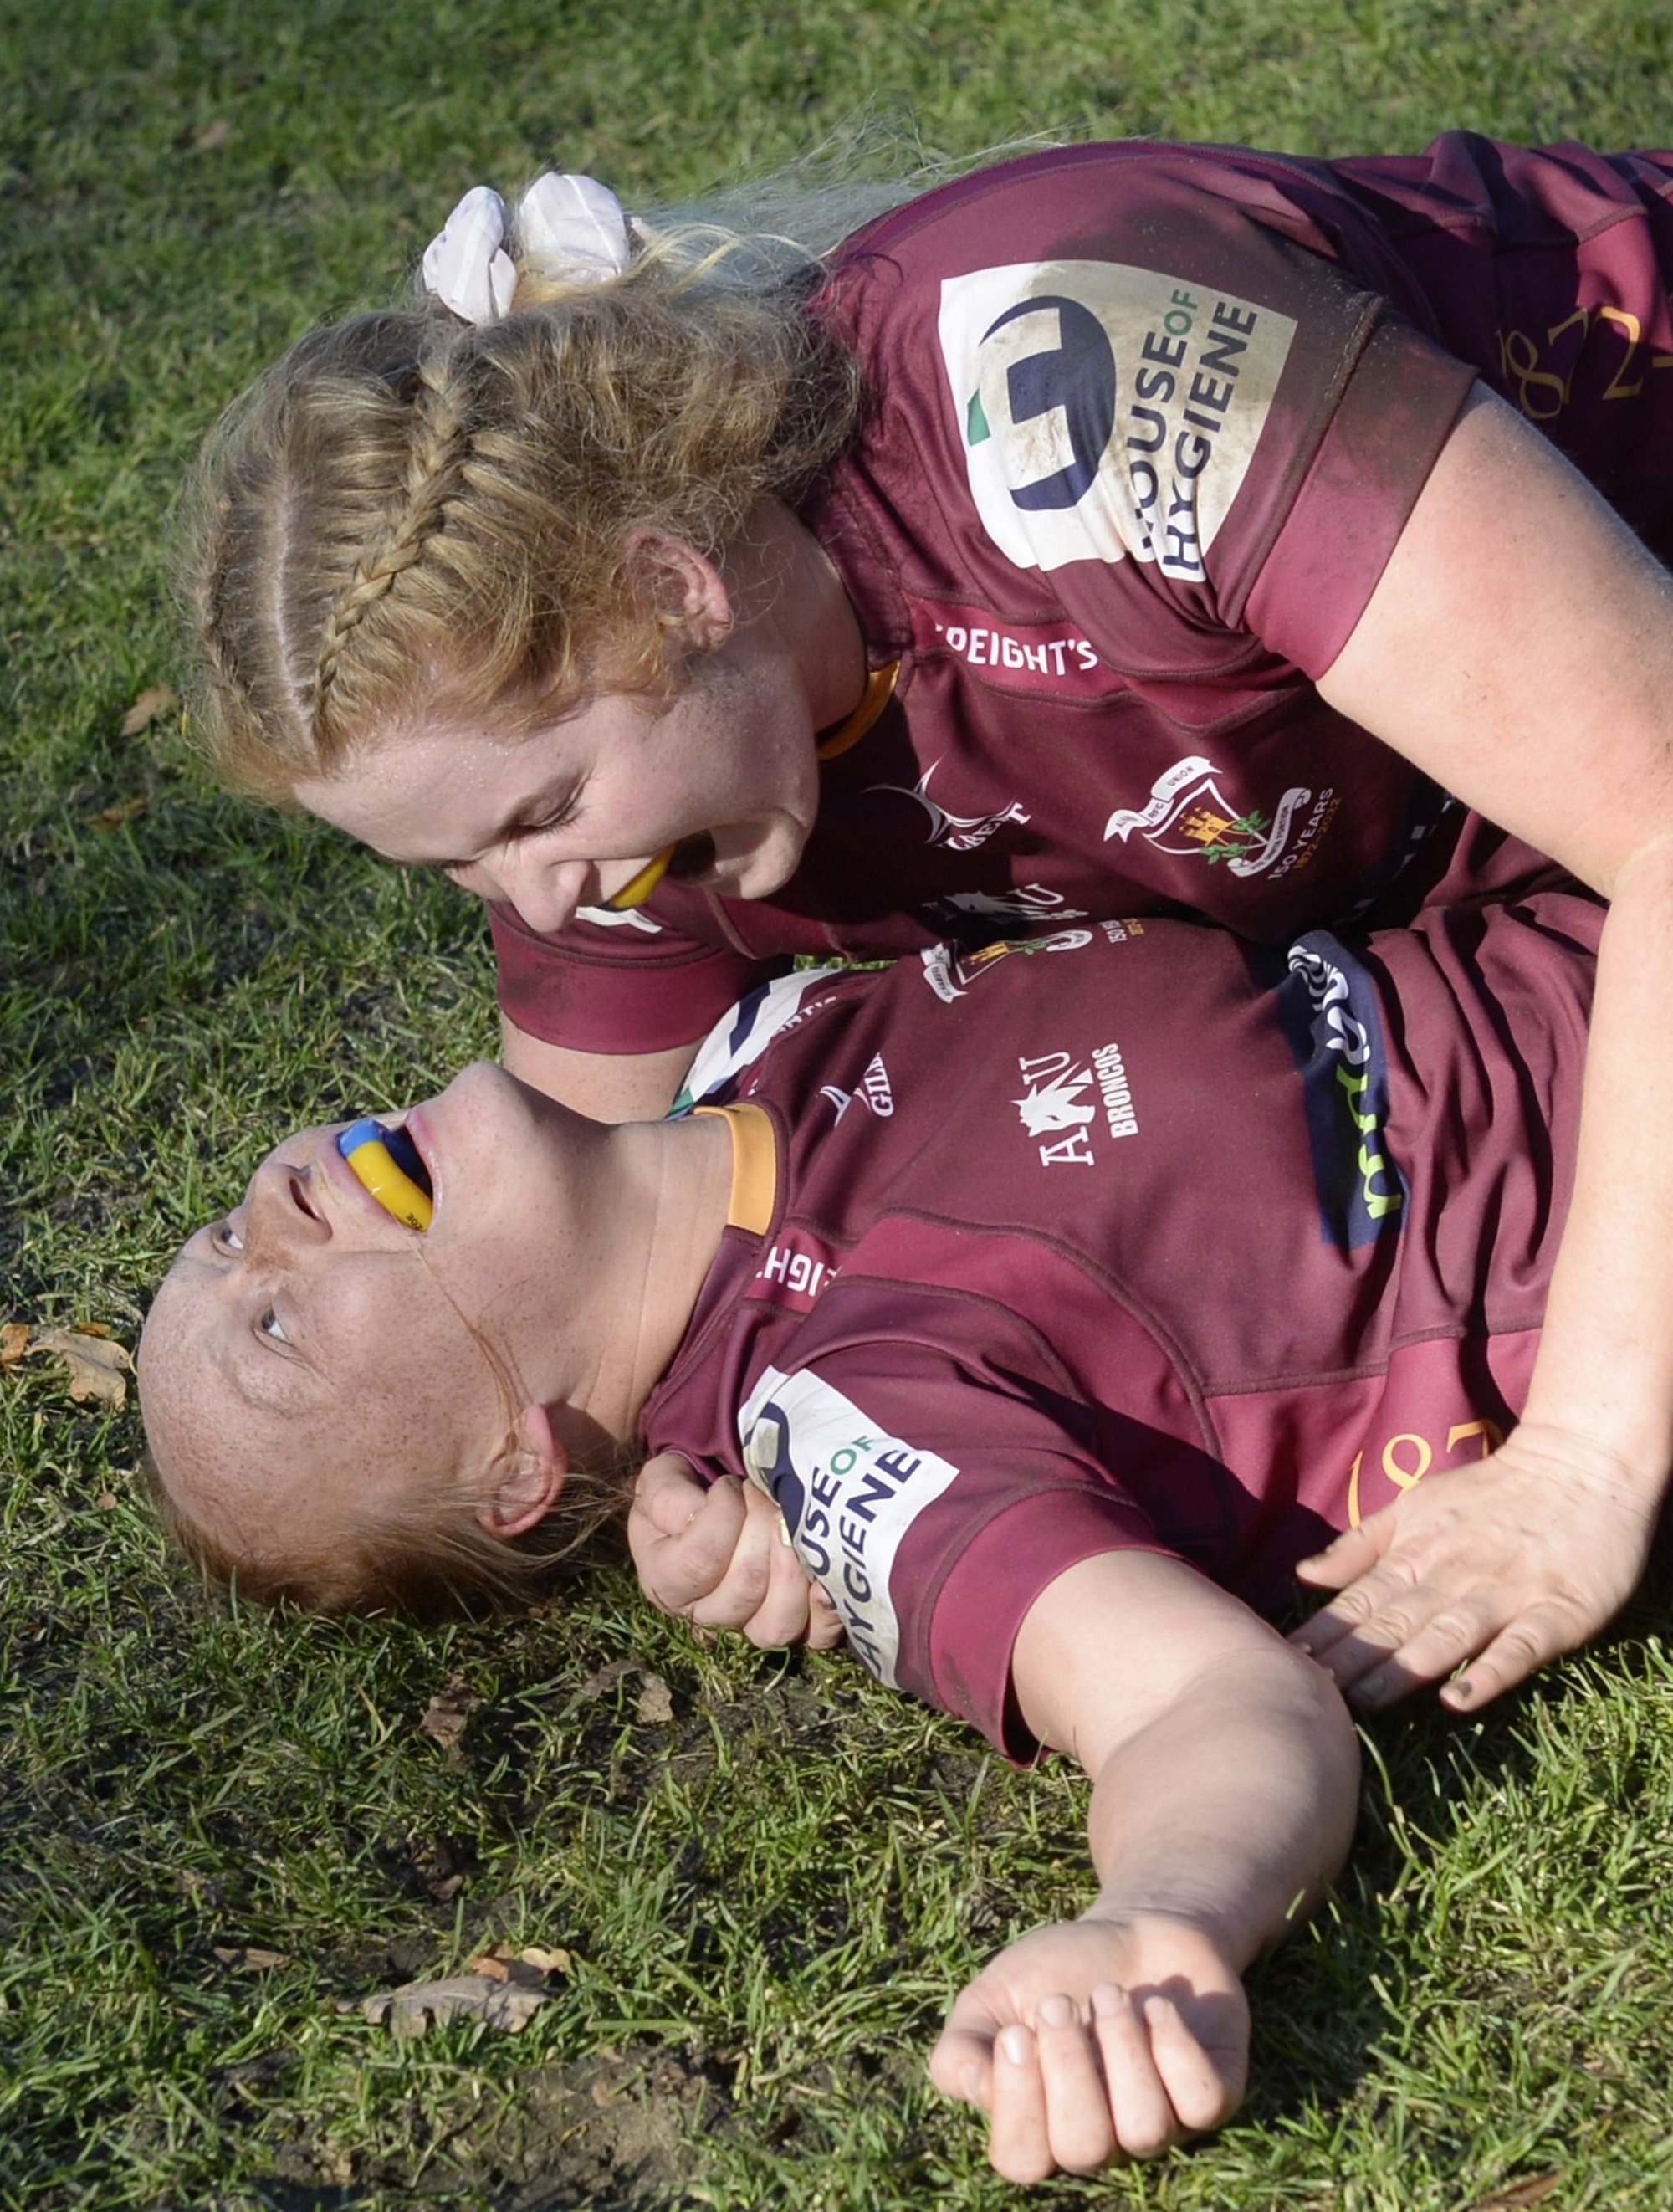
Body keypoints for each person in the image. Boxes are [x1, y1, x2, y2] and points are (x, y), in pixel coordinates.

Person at [183, 133, 1673, 1736]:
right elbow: (606, 1284)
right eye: (456, 866)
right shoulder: (646, 829)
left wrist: (1583, 1460)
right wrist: (725, 1500)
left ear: (673, 586)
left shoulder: (1068, 371)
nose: (542, 907)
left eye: (539, 812)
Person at [141, 888, 1613, 2180]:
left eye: (221, 1237)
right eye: (272, 1321)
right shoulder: (843, 1425)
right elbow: (1196, 1698)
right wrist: (1160, 1913)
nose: (270, 1205)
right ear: (510, 1474)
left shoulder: (749, 1030)